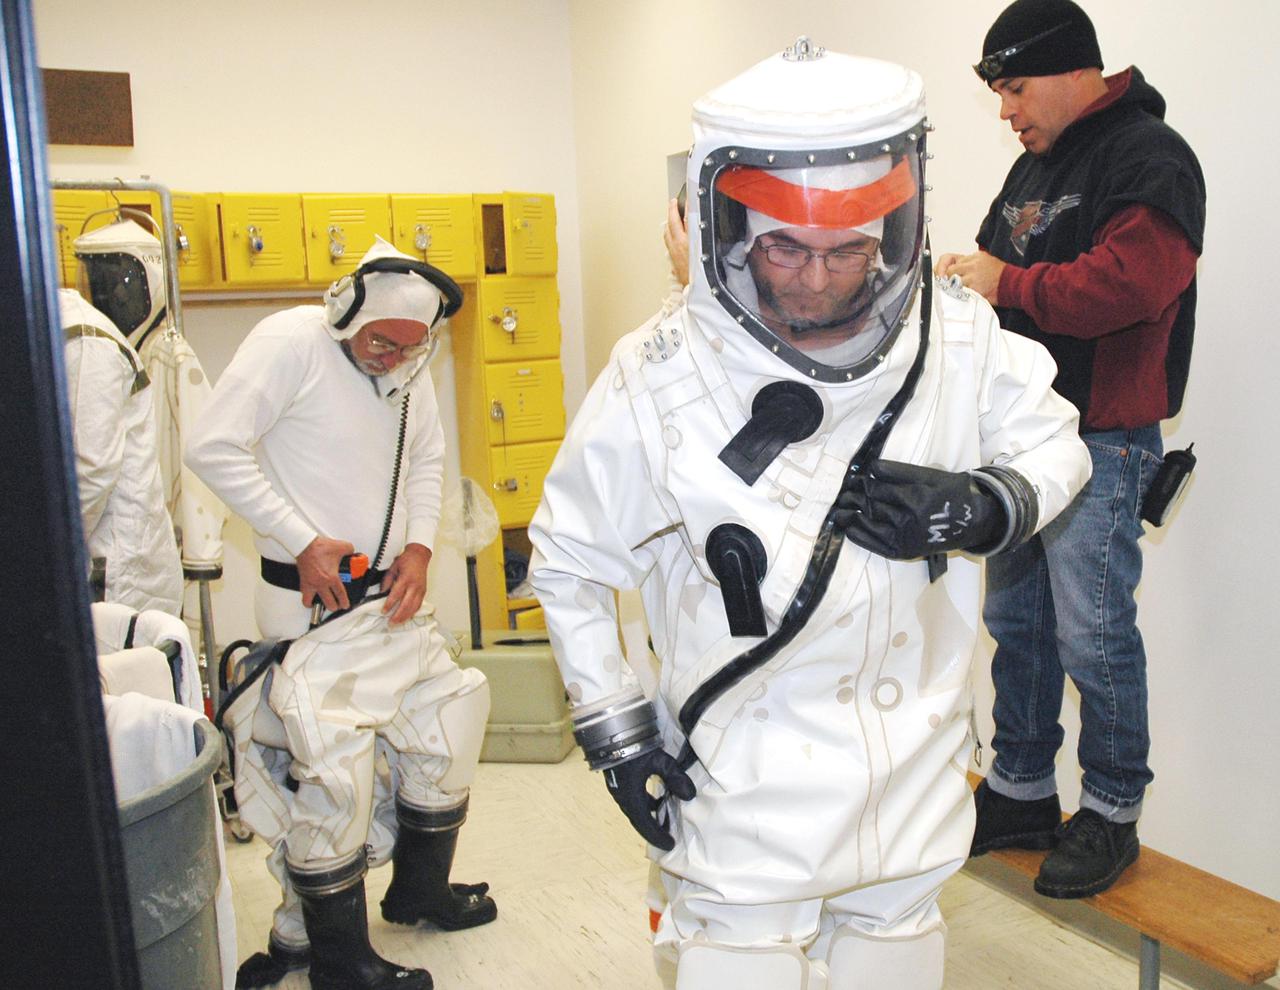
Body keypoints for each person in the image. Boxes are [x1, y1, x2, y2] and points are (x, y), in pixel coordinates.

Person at [528, 38, 1090, 990]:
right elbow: (571, 561)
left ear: (897, 228)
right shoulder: (662, 373)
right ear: (731, 230)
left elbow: (1058, 443)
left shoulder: (951, 335)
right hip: (744, 793)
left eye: (849, 251)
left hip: (912, 779)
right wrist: (618, 731)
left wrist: (981, 506)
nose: (820, 281)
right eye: (788, 247)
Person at [935, 0, 1206, 899]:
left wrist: (1008, 282)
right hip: (1017, 441)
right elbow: (988, 265)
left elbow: (1134, 282)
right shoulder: (1032, 167)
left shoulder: (1150, 158)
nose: (1007, 111)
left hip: (1099, 440)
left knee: (1094, 633)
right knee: (1017, 627)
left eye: (1014, 89)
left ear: (1067, 68)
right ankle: (1019, 789)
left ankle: (1113, 810)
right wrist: (969, 284)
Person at [186, 237, 496, 990]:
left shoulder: (410, 367)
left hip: (391, 603)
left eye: (410, 348)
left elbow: (427, 462)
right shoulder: (289, 343)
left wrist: (420, 548)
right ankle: (329, 956)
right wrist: (302, 539)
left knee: (450, 719)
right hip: (309, 606)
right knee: (334, 776)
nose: (393, 359)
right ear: (345, 312)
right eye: (381, 343)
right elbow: (210, 445)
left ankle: (417, 890)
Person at [62, 219, 183, 615]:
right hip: (110, 565)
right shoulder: (70, 330)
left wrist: (42, 553)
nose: (109, 291)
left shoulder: (87, 342)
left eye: (116, 278)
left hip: (115, 574)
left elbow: (91, 469)